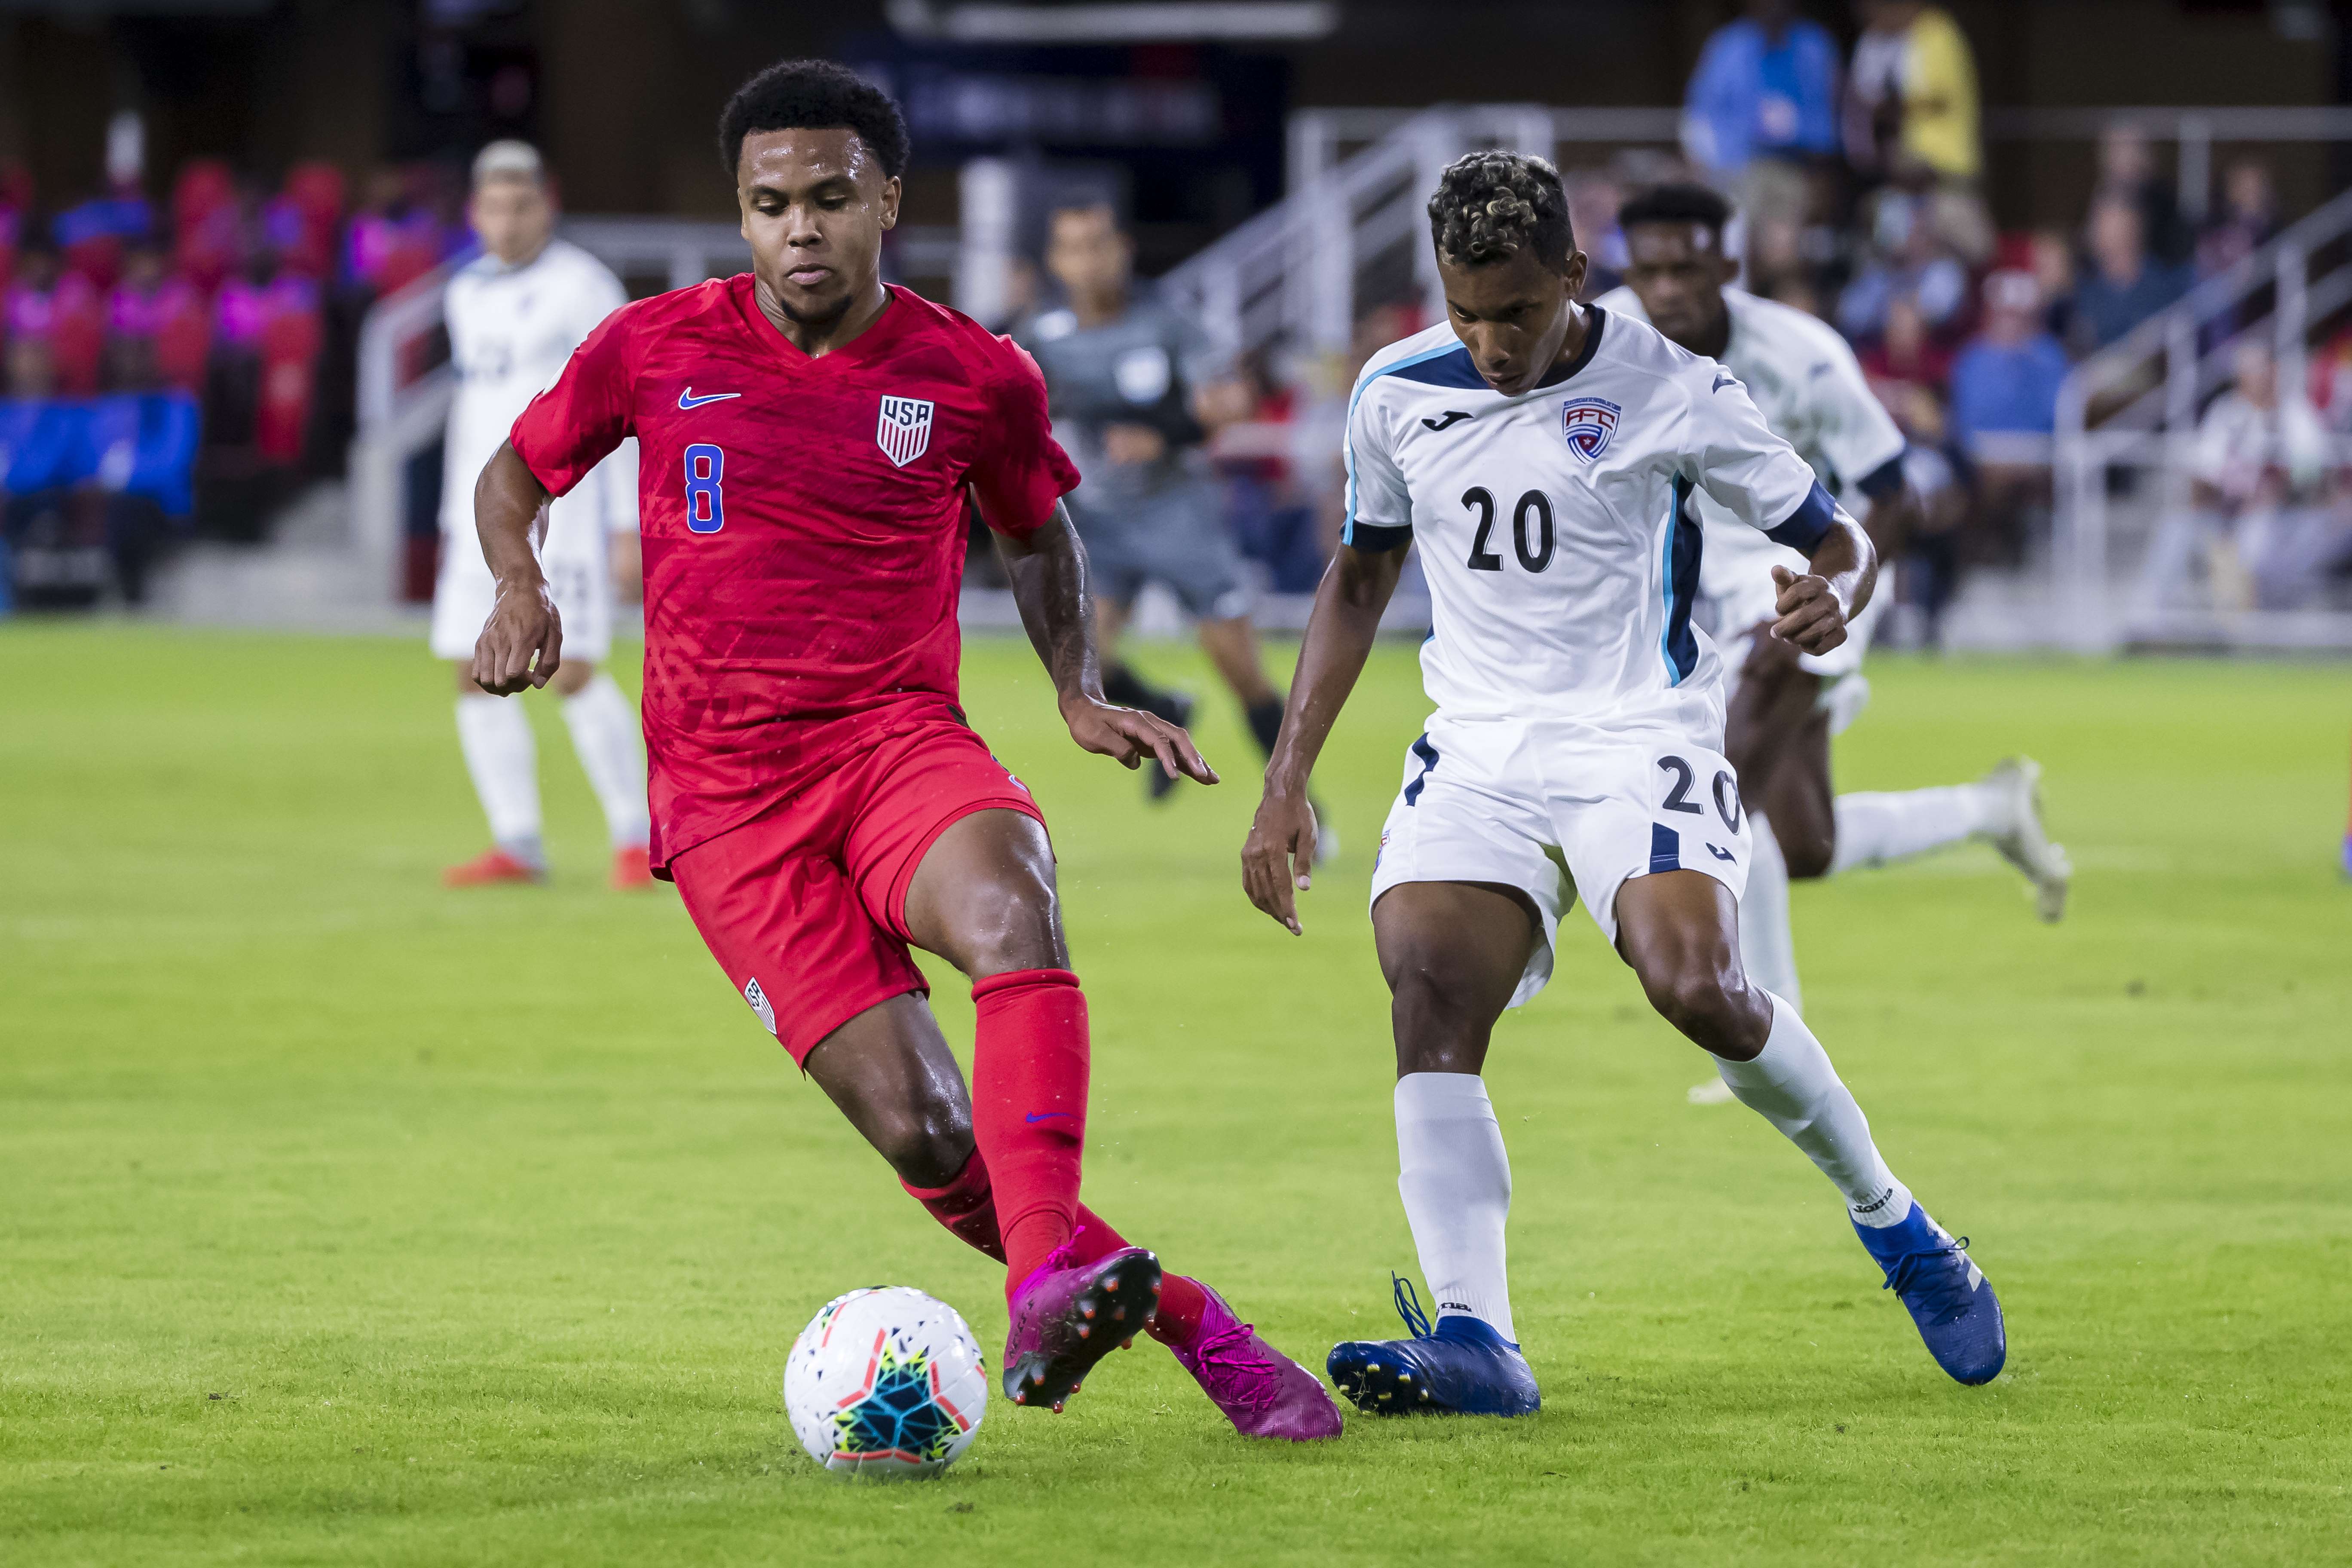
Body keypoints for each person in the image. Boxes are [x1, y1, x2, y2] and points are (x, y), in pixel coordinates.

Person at [466, 59, 1338, 1441]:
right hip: (729, 807)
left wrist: (1076, 690)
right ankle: (1198, 1325)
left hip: (895, 745)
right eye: (770, 205)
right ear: (741, 214)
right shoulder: (653, 347)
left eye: (829, 197)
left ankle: (1047, 1290)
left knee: (1012, 902)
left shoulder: (975, 373)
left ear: (887, 201)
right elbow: (516, 472)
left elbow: (1038, 532)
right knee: (931, 1135)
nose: (800, 227)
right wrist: (522, 584)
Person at [1242, 152, 2006, 1416]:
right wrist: (1287, 778)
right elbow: (1362, 574)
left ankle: (1897, 1223)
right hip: (1479, 746)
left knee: (1700, 988)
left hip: (1636, 732)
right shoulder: (1393, 392)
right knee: (1428, 992)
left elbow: (1840, 531)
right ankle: (1478, 1337)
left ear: (1575, 275)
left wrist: (1839, 591)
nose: (1492, 345)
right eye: (1466, 313)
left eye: (1517, 312)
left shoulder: (1676, 389)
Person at [1600, 183, 2065, 1052]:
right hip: (1681, 595)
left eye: (1686, 269)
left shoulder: (1803, 354)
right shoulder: (1599, 344)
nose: (1666, 290)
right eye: (1650, 271)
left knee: (1720, 783)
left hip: (1796, 583)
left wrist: (1834, 596)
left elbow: (1891, 493)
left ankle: (1770, 1037)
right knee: (1804, 843)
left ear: (1728, 263)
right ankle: (1989, 810)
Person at [1020, 202, 1318, 815]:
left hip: (1179, 515)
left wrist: (1165, 433)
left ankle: (1301, 804)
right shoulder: (1043, 334)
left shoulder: (1167, 320)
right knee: (1082, 660)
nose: (1088, 261)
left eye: (1098, 244)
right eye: (1073, 248)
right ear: (1056, 260)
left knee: (1240, 669)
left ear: (1121, 250)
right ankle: (1165, 709)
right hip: (1099, 522)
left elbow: (1232, 400)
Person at [429, 142, 652, 891]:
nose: (507, 220)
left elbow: (621, 409)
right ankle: (517, 842)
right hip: (478, 519)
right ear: (474, 213)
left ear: (546, 205)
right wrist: (454, 517)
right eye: (494, 206)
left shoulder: (584, 287)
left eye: (521, 205)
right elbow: (473, 415)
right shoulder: (465, 291)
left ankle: (636, 839)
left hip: (570, 514)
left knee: (574, 671)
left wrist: (625, 525)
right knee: (474, 671)